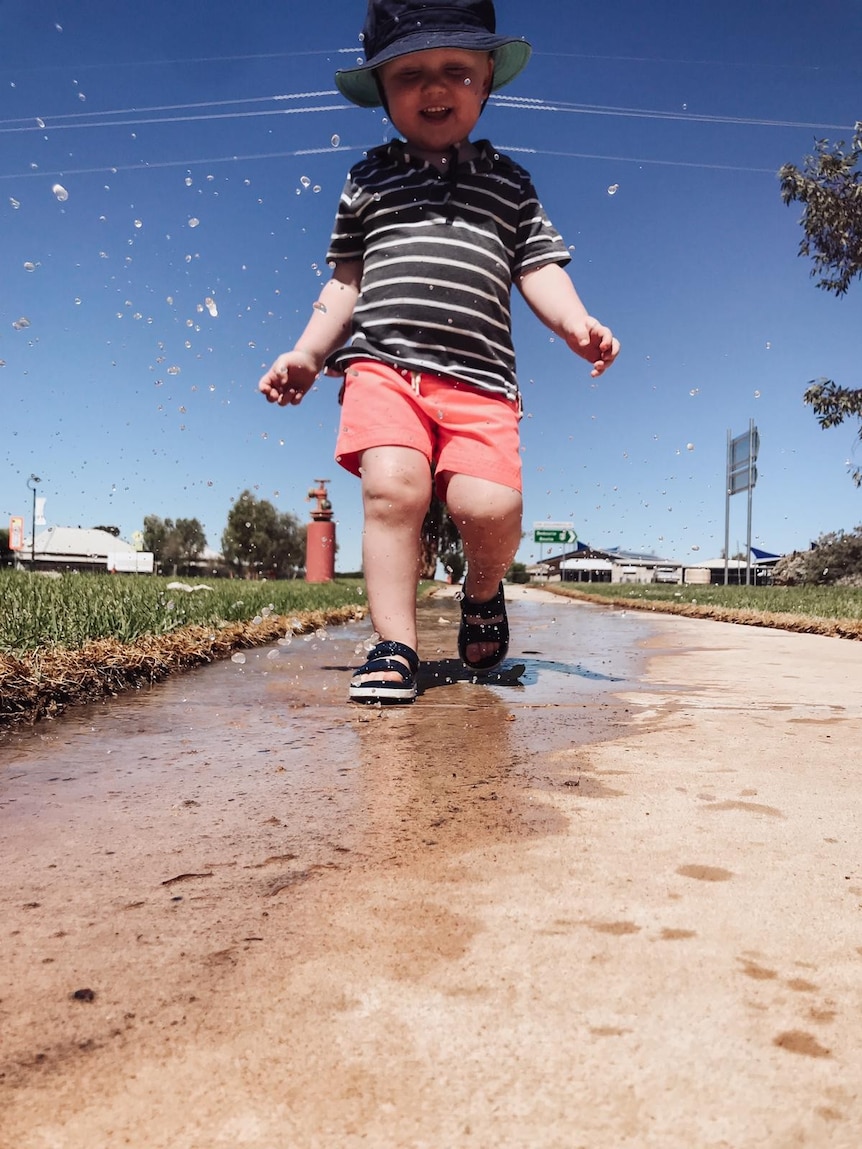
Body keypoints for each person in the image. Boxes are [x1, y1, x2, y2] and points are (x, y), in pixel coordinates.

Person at [259, 0, 620, 705]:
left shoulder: (510, 184)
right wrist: (307, 351)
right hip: (382, 368)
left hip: (482, 382)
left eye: (455, 70)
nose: (433, 88)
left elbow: (539, 267)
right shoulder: (368, 179)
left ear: (487, 79)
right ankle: (394, 644)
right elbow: (346, 282)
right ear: (383, 91)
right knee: (393, 490)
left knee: (488, 506)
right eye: (409, 74)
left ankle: (482, 589)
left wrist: (576, 323)